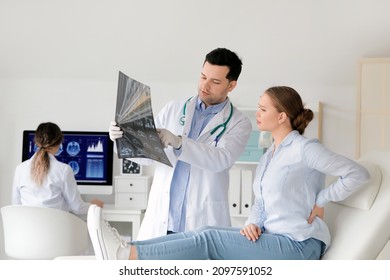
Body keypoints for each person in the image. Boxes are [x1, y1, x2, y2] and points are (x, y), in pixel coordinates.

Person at [88, 85, 370, 260]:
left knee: (209, 241)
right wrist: (253, 222)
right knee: (206, 230)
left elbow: (356, 174)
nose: (256, 113)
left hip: (300, 244)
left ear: (282, 116)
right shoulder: (269, 155)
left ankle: (127, 255)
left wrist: (322, 199)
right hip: (274, 237)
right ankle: (126, 247)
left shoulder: (305, 149)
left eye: (262, 109)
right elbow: (261, 202)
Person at [109, 48, 252, 240]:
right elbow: (148, 157)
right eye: (203, 77)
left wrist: (179, 143)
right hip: (162, 219)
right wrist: (122, 139)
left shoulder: (238, 122)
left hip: (201, 222)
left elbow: (221, 160)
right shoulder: (173, 109)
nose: (205, 85)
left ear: (231, 85)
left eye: (215, 81)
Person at [12, 122, 104, 216]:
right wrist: (94, 205)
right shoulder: (64, 170)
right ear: (58, 144)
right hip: (56, 229)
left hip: (27, 229)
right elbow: (77, 208)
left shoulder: (20, 169)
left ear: (36, 142)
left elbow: (16, 206)